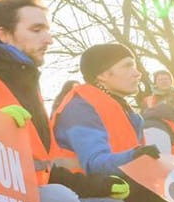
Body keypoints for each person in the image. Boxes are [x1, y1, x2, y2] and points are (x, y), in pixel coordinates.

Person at [0, 0, 162, 202]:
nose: (48, 39)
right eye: (36, 30)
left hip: (39, 197)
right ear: (4, 34)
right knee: (60, 197)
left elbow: (45, 170)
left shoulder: (29, 87)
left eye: (47, 29)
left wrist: (99, 186)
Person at [50, 43, 164, 179]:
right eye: (128, 66)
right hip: (86, 193)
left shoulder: (127, 112)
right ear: (102, 75)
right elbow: (94, 163)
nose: (137, 73)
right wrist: (135, 155)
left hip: (122, 187)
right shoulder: (81, 108)